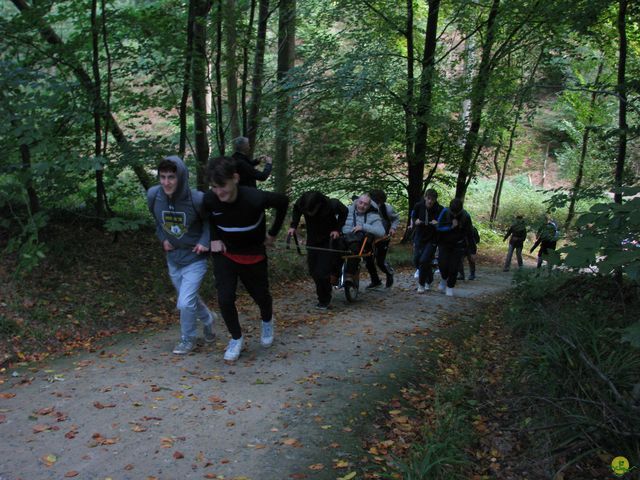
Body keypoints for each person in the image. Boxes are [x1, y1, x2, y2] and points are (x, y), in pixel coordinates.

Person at [203, 156, 288, 363]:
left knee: (260, 295)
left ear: (235, 178)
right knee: (224, 298)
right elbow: (207, 215)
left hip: (253, 253)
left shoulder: (255, 198)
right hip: (226, 254)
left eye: (222, 185)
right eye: (214, 186)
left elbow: (283, 202)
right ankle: (236, 338)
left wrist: (273, 233)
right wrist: (214, 238)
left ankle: (267, 320)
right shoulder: (210, 199)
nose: (218, 191)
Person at [147, 156, 216, 355]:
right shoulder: (154, 195)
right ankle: (209, 318)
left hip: (195, 258)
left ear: (181, 177)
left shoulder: (197, 199)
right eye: (162, 177)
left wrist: (205, 241)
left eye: (171, 177)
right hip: (173, 258)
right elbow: (157, 222)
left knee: (185, 302)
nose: (166, 182)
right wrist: (163, 238)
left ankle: (188, 339)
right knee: (188, 298)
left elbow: (209, 222)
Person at [288, 191, 348, 309]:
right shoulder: (302, 203)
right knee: (313, 271)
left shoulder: (332, 205)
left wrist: (337, 229)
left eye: (312, 210)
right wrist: (293, 226)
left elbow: (344, 211)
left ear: (319, 205)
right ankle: (325, 293)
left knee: (322, 272)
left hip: (329, 240)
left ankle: (324, 300)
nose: (309, 213)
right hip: (312, 240)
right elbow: (296, 209)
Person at [340, 194, 386, 288]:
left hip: (360, 242)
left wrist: (363, 227)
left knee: (356, 250)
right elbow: (335, 221)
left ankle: (349, 276)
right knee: (334, 247)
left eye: (365, 204)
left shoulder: (373, 216)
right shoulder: (346, 211)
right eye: (360, 203)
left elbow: (381, 232)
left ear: (369, 206)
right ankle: (334, 275)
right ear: (356, 202)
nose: (362, 206)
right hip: (343, 238)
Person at [436, 198, 474, 297]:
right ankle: (444, 279)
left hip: (458, 245)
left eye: (457, 212)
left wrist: (471, 248)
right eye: (453, 212)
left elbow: (470, 232)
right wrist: (450, 227)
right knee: (442, 264)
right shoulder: (445, 212)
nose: (455, 215)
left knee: (454, 267)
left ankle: (450, 286)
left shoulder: (466, 216)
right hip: (444, 244)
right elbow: (438, 226)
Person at [365, 190, 400, 288]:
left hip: (383, 238)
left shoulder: (387, 209)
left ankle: (389, 273)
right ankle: (375, 281)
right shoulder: (366, 208)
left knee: (380, 261)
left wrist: (393, 228)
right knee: (368, 260)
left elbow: (396, 218)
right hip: (369, 238)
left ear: (380, 202)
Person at [411, 189, 443, 293]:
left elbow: (443, 223)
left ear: (435, 200)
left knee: (424, 260)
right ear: (425, 197)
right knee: (416, 260)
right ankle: (429, 277)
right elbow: (413, 216)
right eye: (428, 198)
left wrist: (437, 223)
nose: (430, 201)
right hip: (419, 236)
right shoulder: (418, 206)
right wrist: (415, 221)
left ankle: (421, 284)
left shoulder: (439, 209)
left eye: (432, 199)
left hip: (432, 238)